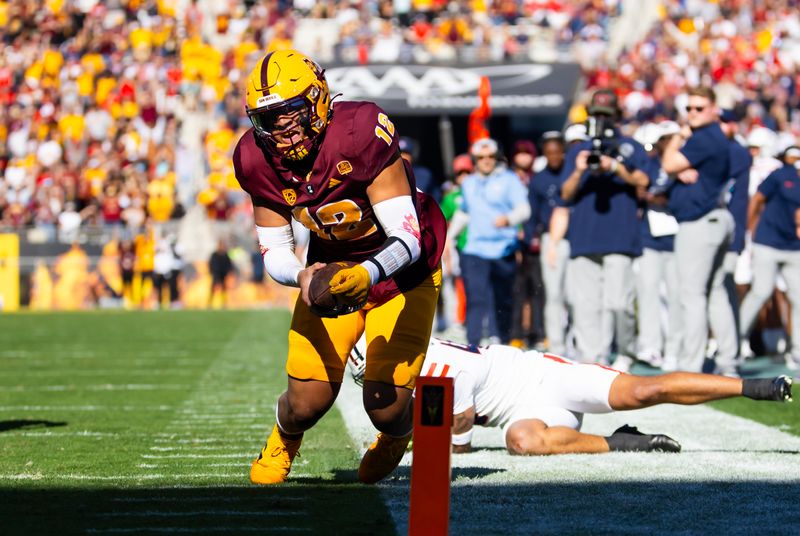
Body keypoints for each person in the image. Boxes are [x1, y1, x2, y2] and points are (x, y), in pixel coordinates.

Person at [232, 50, 446, 485]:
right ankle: (283, 439)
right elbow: (274, 249)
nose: (283, 130)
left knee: (385, 408)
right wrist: (303, 276)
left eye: (292, 113)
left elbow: (406, 237)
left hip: (404, 271)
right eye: (270, 120)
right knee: (305, 403)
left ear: (319, 99)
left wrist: (366, 274)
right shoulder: (255, 159)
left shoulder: (360, 131)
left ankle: (393, 437)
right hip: (330, 266)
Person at [348, 337, 792, 455]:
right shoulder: (418, 359)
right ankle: (623, 442)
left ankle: (756, 388)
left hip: (544, 378)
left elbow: (458, 430)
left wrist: (443, 442)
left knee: (644, 389)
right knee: (522, 441)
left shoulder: (441, 366)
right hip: (521, 410)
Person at [560, 89, 650, 369]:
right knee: (586, 305)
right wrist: (578, 170)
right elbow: (565, 194)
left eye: (606, 116)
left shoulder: (630, 147)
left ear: (617, 117)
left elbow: (644, 181)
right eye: (597, 115)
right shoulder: (577, 149)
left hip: (620, 235)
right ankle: (592, 357)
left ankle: (625, 350)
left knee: (619, 303)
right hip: (585, 236)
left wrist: (616, 168)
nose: (601, 120)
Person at [662, 86, 737, 375]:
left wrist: (679, 136)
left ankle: (691, 365)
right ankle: (729, 362)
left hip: (700, 222)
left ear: (713, 109)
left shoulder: (703, 137)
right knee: (715, 293)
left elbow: (669, 163)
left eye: (698, 108)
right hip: (716, 218)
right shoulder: (715, 137)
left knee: (691, 294)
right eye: (689, 109)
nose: (692, 114)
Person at [447, 138, 531, 346]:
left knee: (502, 299)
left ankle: (501, 341)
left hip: (503, 249)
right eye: (481, 157)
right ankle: (472, 344)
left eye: (490, 157)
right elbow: (464, 213)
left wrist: (509, 219)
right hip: (475, 249)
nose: (486, 161)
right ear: (475, 159)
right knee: (475, 298)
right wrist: (448, 239)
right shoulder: (469, 183)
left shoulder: (509, 180)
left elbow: (524, 210)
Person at [739, 146, 800, 370]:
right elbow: (757, 200)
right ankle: (735, 342)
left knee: (798, 298)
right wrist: (750, 231)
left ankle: (797, 352)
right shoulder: (781, 175)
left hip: (795, 247)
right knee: (761, 292)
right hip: (768, 241)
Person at [635, 121, 683, 370]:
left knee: (677, 296)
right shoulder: (649, 163)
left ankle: (675, 349)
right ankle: (650, 346)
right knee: (648, 293)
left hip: (677, 238)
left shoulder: (685, 162)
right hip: (650, 237)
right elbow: (639, 188)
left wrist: (661, 196)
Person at [527, 131, 569, 354]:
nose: (554, 156)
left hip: (575, 238)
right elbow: (532, 215)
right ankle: (556, 344)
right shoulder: (539, 179)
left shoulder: (571, 174)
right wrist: (529, 238)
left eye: (557, 151)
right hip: (550, 241)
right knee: (553, 294)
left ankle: (576, 342)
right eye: (549, 152)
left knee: (574, 296)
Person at [510, 139, 545, 349]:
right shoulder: (509, 179)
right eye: (520, 153)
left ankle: (537, 332)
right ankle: (517, 332)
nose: (524, 157)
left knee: (538, 289)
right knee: (518, 289)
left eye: (527, 153)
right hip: (515, 241)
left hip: (535, 241)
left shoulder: (537, 178)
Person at [209, 239, 234, 308]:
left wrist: (229, 271)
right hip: (216, 274)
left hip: (223, 274)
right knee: (213, 288)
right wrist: (212, 272)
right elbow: (211, 264)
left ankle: (224, 303)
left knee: (224, 289)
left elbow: (229, 265)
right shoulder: (214, 255)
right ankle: (210, 303)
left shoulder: (225, 255)